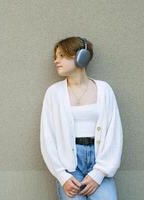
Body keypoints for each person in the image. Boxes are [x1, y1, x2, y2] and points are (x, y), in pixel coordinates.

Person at [40, 36, 123, 200]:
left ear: (81, 56)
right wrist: (62, 176)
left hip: (100, 161)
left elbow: (114, 134)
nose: (56, 61)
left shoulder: (104, 90)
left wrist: (99, 173)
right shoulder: (53, 93)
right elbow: (47, 137)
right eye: (55, 57)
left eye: (62, 56)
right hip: (69, 166)